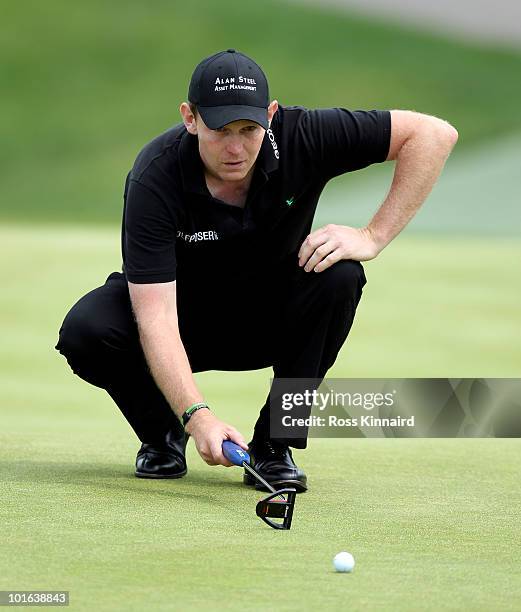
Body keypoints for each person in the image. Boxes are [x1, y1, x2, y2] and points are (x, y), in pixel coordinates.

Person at [55, 49, 458, 492]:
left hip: (271, 318)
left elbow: (433, 135)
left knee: (339, 275)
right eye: (220, 130)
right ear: (190, 118)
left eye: (249, 130)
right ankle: (163, 432)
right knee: (87, 330)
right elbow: (156, 317)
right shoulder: (156, 175)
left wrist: (373, 236)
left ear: (270, 114)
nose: (235, 147)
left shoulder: (303, 135)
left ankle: (273, 445)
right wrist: (197, 416)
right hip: (184, 322)